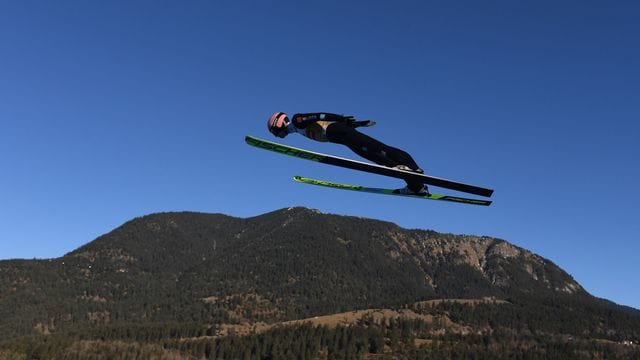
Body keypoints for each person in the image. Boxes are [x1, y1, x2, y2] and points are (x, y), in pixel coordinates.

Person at [267, 111, 429, 195]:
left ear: (278, 124)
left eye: (275, 132)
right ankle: (417, 185)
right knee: (376, 153)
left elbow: (320, 115)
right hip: (339, 136)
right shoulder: (295, 129)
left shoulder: (296, 120)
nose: (277, 136)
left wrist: (341, 119)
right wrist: (351, 125)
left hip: (336, 131)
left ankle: (406, 169)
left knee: (376, 150)